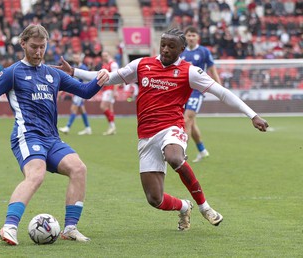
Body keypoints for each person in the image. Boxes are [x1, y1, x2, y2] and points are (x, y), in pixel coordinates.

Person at [56, 28, 268, 231]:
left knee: (174, 157)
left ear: (181, 50)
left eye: (171, 46)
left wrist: (252, 115)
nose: (165, 49)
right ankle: (185, 207)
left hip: (172, 128)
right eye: (163, 45)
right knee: (154, 199)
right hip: (146, 136)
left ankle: (205, 207)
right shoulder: (142, 65)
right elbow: (107, 78)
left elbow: (222, 93)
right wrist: (74, 71)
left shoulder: (190, 72)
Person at [0, 24, 108, 246]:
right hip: (27, 136)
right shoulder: (13, 73)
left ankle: (70, 228)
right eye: (34, 47)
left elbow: (85, 91)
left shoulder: (54, 74)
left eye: (42, 47)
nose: (38, 52)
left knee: (79, 169)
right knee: (36, 174)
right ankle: (9, 227)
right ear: (23, 44)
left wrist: (99, 79)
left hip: (52, 138)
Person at [180, 26, 222, 162]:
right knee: (192, 123)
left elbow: (212, 70)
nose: (191, 38)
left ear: (198, 37)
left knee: (186, 120)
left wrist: (220, 89)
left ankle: (181, 154)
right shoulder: (181, 52)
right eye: (189, 35)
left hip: (196, 91)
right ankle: (202, 150)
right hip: (182, 92)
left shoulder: (204, 51)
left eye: (193, 35)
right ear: (185, 37)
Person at [59, 52, 92, 135]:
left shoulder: (83, 67)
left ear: (80, 58)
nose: (75, 59)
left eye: (77, 58)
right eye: (74, 58)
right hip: (77, 91)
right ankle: (88, 128)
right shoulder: (74, 67)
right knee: (81, 110)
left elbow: (86, 80)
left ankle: (67, 127)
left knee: (73, 108)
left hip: (81, 91)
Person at [100, 51, 121, 136]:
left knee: (103, 106)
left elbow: (117, 77)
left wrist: (115, 90)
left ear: (109, 55)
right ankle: (112, 127)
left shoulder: (113, 64)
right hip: (106, 89)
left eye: (105, 55)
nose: (104, 57)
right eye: (103, 56)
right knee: (110, 108)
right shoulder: (104, 65)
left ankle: (112, 126)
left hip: (110, 89)